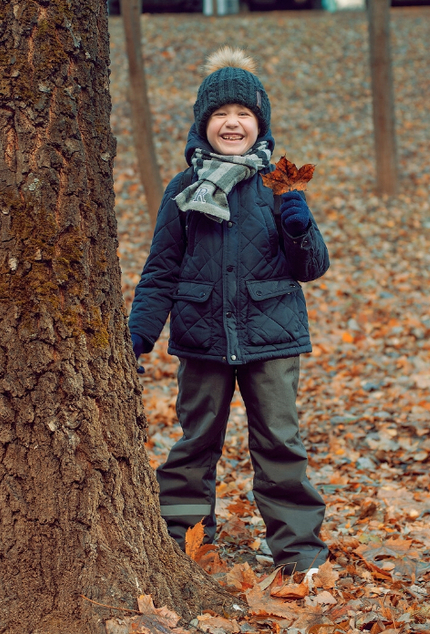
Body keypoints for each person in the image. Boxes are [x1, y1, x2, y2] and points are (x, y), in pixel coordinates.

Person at [129, 46, 330, 574]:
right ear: (203, 124)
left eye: (243, 113)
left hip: (272, 338)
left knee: (280, 443)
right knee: (195, 444)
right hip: (202, 339)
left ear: (260, 124)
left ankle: (299, 552)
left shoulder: (278, 185)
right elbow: (161, 272)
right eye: (220, 114)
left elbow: (311, 266)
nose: (232, 122)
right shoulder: (184, 189)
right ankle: (186, 544)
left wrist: (298, 224)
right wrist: (138, 336)